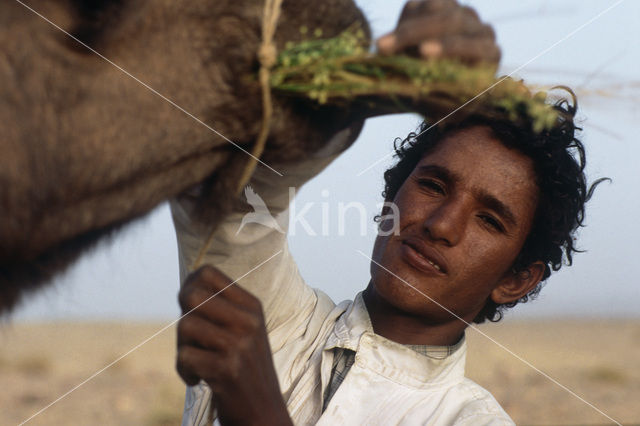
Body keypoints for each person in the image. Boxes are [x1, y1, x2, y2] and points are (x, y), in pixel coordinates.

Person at [171, 1, 599, 425]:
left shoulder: (471, 420)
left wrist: (257, 409)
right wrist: (368, 89)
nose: (441, 224)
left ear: (516, 279)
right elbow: (223, 184)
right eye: (432, 186)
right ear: (390, 199)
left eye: (489, 220)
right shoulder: (276, 321)